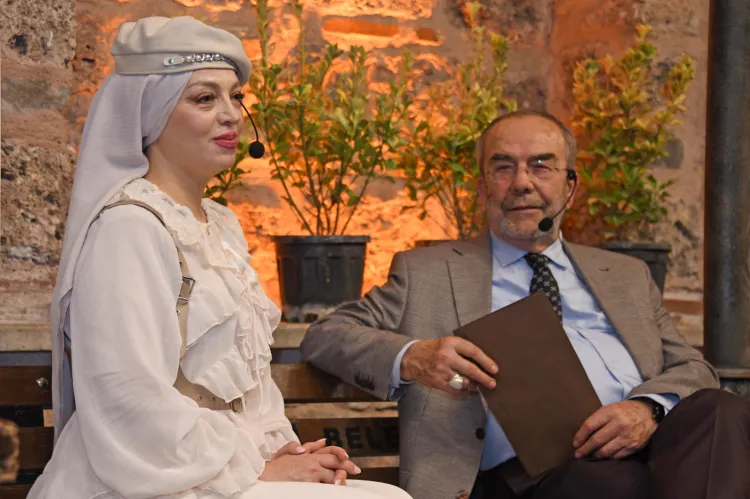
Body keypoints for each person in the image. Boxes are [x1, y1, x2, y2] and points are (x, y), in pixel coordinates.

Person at [28, 16, 412, 499]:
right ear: (151, 112)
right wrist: (250, 465)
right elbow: (125, 395)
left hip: (219, 467)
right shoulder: (128, 228)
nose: (231, 114)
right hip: (148, 476)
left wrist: (283, 454)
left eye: (235, 96)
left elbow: (251, 386)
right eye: (204, 98)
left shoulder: (222, 224)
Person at [300, 110, 750, 499]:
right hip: (528, 476)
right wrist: (415, 357)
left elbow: (693, 368)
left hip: (652, 448)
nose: (521, 183)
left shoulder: (626, 275)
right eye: (503, 168)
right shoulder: (429, 273)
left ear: (570, 186)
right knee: (615, 483)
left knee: (721, 410)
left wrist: (647, 408)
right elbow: (326, 336)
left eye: (541, 166)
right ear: (482, 187)